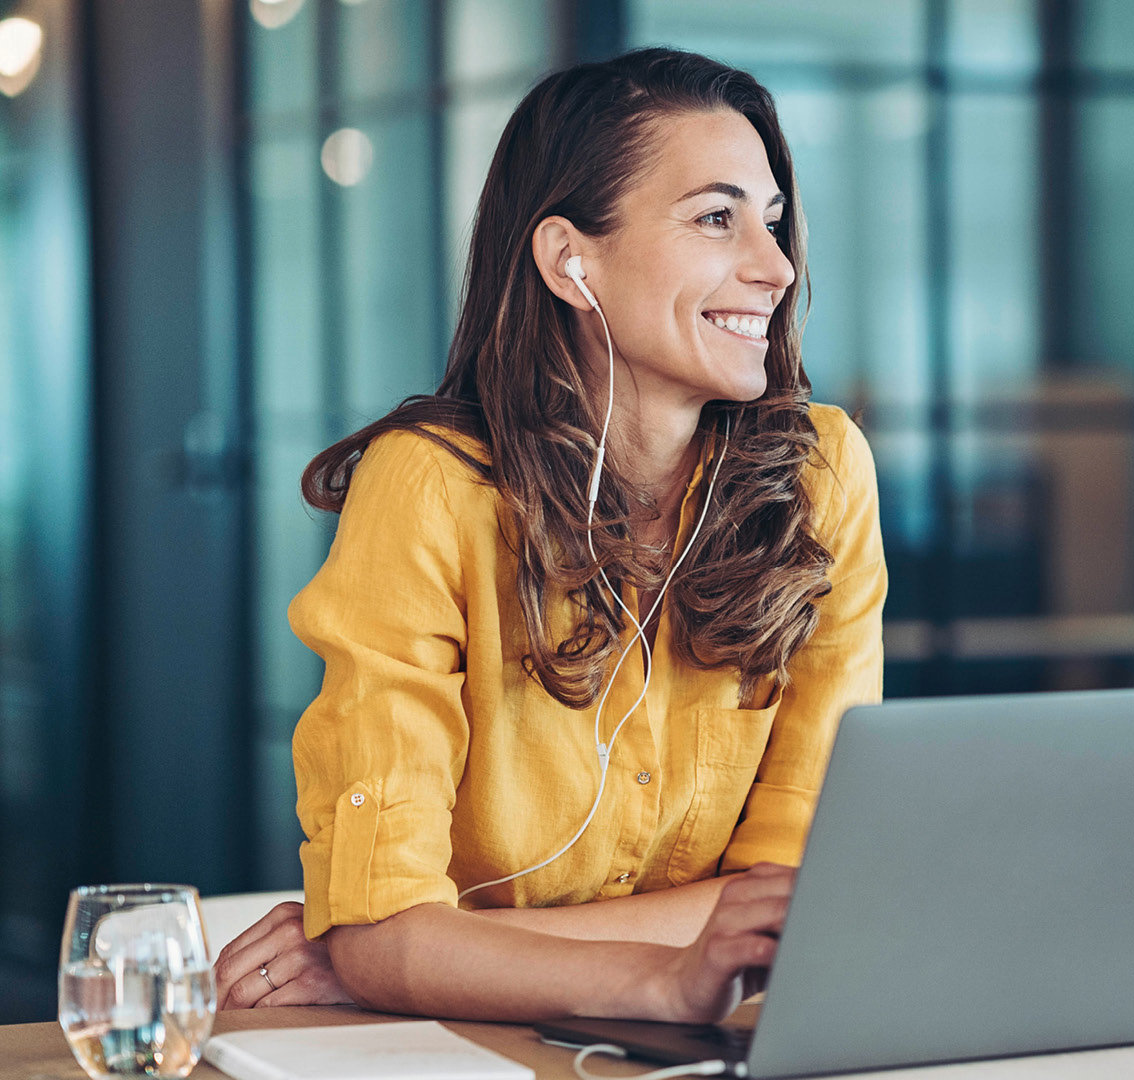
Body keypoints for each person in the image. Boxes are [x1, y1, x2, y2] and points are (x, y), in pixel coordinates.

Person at [210, 47, 886, 1025]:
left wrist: (423, 952)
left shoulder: (825, 475)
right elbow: (384, 926)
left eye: (773, 223)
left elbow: (792, 908)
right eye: (716, 218)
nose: (775, 268)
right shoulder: (432, 487)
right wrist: (655, 968)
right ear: (572, 259)